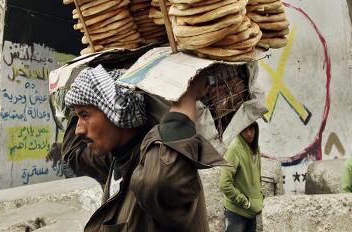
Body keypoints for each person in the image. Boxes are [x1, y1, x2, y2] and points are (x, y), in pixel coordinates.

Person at [61, 65, 226, 231]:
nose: (78, 130)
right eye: (77, 116)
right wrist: (89, 76)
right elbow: (72, 154)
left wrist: (186, 98)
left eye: (84, 115)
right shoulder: (115, 158)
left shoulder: (157, 163)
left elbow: (160, 181)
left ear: (117, 113)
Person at [219, 122, 263, 232]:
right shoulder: (234, 149)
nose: (249, 134)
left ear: (255, 129)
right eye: (244, 130)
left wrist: (260, 198)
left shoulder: (255, 147)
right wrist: (245, 202)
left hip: (252, 213)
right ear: (239, 131)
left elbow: (257, 177)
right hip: (236, 213)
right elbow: (224, 184)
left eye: (251, 129)